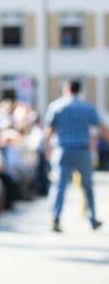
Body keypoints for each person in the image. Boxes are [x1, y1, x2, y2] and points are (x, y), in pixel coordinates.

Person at [44, 80, 109, 232]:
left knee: (59, 185)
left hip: (62, 150)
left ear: (66, 89)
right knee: (87, 186)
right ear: (79, 90)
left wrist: (47, 149)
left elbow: (48, 131)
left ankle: (55, 217)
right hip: (82, 150)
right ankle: (92, 218)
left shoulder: (56, 106)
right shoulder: (86, 107)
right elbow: (101, 127)